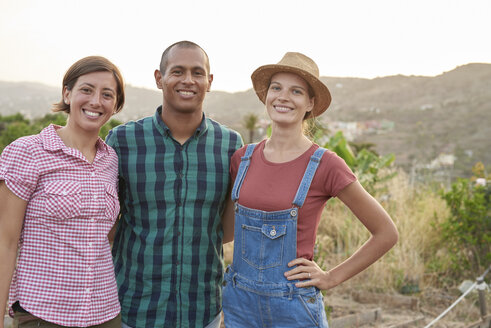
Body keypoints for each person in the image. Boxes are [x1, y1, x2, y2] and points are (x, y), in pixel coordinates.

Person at [221, 52, 399, 327]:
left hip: (293, 309)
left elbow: (386, 233)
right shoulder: (242, 159)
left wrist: (331, 277)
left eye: (296, 91)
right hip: (239, 305)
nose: (283, 97)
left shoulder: (326, 164)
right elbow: (227, 232)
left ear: (310, 103)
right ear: (266, 95)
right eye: (276, 88)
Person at [105, 40, 243, 328]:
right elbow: (106, 223)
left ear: (210, 81)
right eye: (177, 71)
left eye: (197, 72)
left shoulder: (230, 145)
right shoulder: (123, 141)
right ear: (159, 78)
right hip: (134, 307)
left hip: (202, 310)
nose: (188, 80)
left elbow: (226, 230)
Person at [0, 56, 125, 328]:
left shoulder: (111, 161)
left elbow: (103, 231)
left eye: (107, 94)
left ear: (115, 105)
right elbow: (4, 242)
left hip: (105, 313)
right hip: (44, 313)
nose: (96, 101)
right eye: (86, 90)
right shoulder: (27, 152)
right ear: (67, 93)